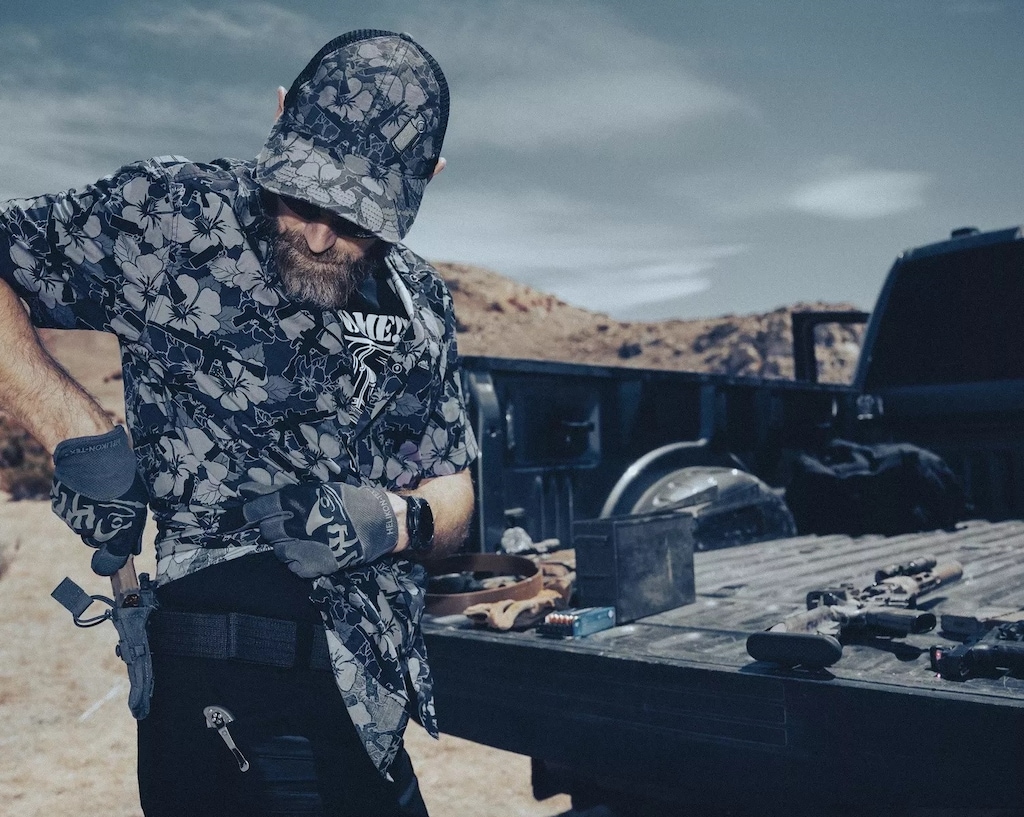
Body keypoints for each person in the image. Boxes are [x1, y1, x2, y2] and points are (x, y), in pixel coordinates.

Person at [0, 29, 477, 817]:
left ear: (427, 178)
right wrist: (76, 430)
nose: (319, 235)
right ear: (281, 115)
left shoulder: (421, 301)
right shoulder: (171, 216)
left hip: (368, 713)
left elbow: (454, 481)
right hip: (221, 702)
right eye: (303, 197)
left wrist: (398, 519)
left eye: (356, 217)